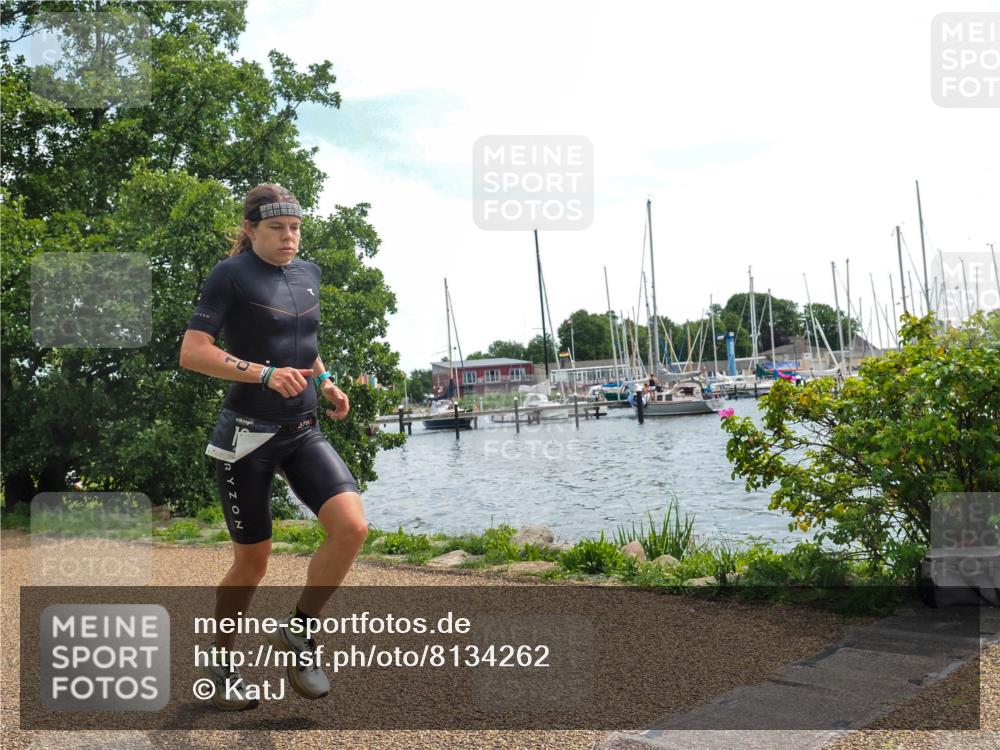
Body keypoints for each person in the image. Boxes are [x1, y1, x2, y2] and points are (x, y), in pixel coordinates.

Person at [179, 184, 367, 710]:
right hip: (246, 436)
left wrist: (324, 381)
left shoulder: (309, 274)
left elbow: (303, 341)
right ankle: (221, 667)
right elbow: (193, 352)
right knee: (252, 564)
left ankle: (299, 631)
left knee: (351, 528)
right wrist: (263, 373)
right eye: (277, 228)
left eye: (295, 228)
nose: (289, 237)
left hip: (302, 427)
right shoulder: (230, 275)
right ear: (251, 229)